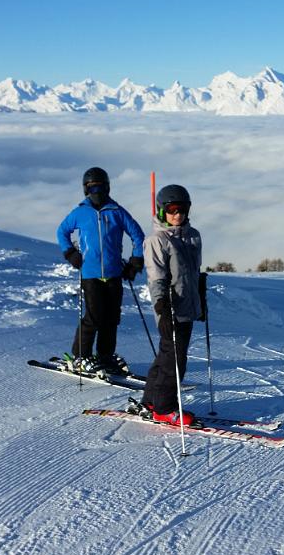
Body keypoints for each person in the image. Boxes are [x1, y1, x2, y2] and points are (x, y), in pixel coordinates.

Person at [130, 184, 206, 426]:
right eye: (172, 209)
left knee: (167, 355)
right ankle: (164, 408)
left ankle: (151, 400)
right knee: (175, 359)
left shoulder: (193, 235)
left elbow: (193, 272)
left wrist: (200, 297)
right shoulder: (157, 240)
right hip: (169, 308)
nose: (178, 214)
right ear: (162, 211)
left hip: (188, 305)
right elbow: (156, 277)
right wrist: (161, 305)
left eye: (182, 209)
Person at [57, 167, 145, 374]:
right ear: (85, 189)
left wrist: (135, 262)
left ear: (107, 187)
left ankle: (104, 356)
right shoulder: (80, 212)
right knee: (94, 317)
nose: (97, 191)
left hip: (114, 273)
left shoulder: (117, 211)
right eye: (92, 187)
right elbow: (62, 231)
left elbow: (138, 235)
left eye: (100, 186)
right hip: (90, 274)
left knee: (112, 318)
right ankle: (80, 357)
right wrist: (70, 253)